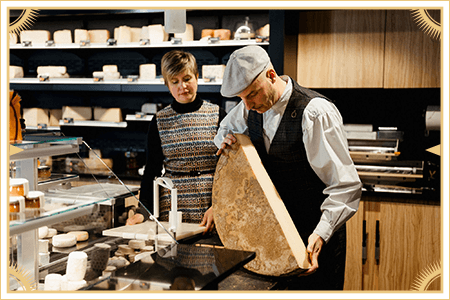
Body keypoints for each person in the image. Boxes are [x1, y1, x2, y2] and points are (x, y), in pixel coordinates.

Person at [214, 45, 362, 290]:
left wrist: (322, 233)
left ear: (271, 75)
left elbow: (344, 186)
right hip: (273, 237)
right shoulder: (249, 107)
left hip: (313, 233)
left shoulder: (314, 112)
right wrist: (226, 141)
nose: (248, 105)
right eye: (242, 99)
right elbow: (224, 130)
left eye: (252, 94)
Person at [130, 50, 227, 234]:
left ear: (197, 77)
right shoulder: (159, 120)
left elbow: (230, 168)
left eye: (187, 78)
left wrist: (220, 205)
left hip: (212, 206)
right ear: (167, 85)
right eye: (175, 82)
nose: (182, 86)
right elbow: (152, 170)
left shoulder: (218, 115)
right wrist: (143, 211)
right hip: (173, 208)